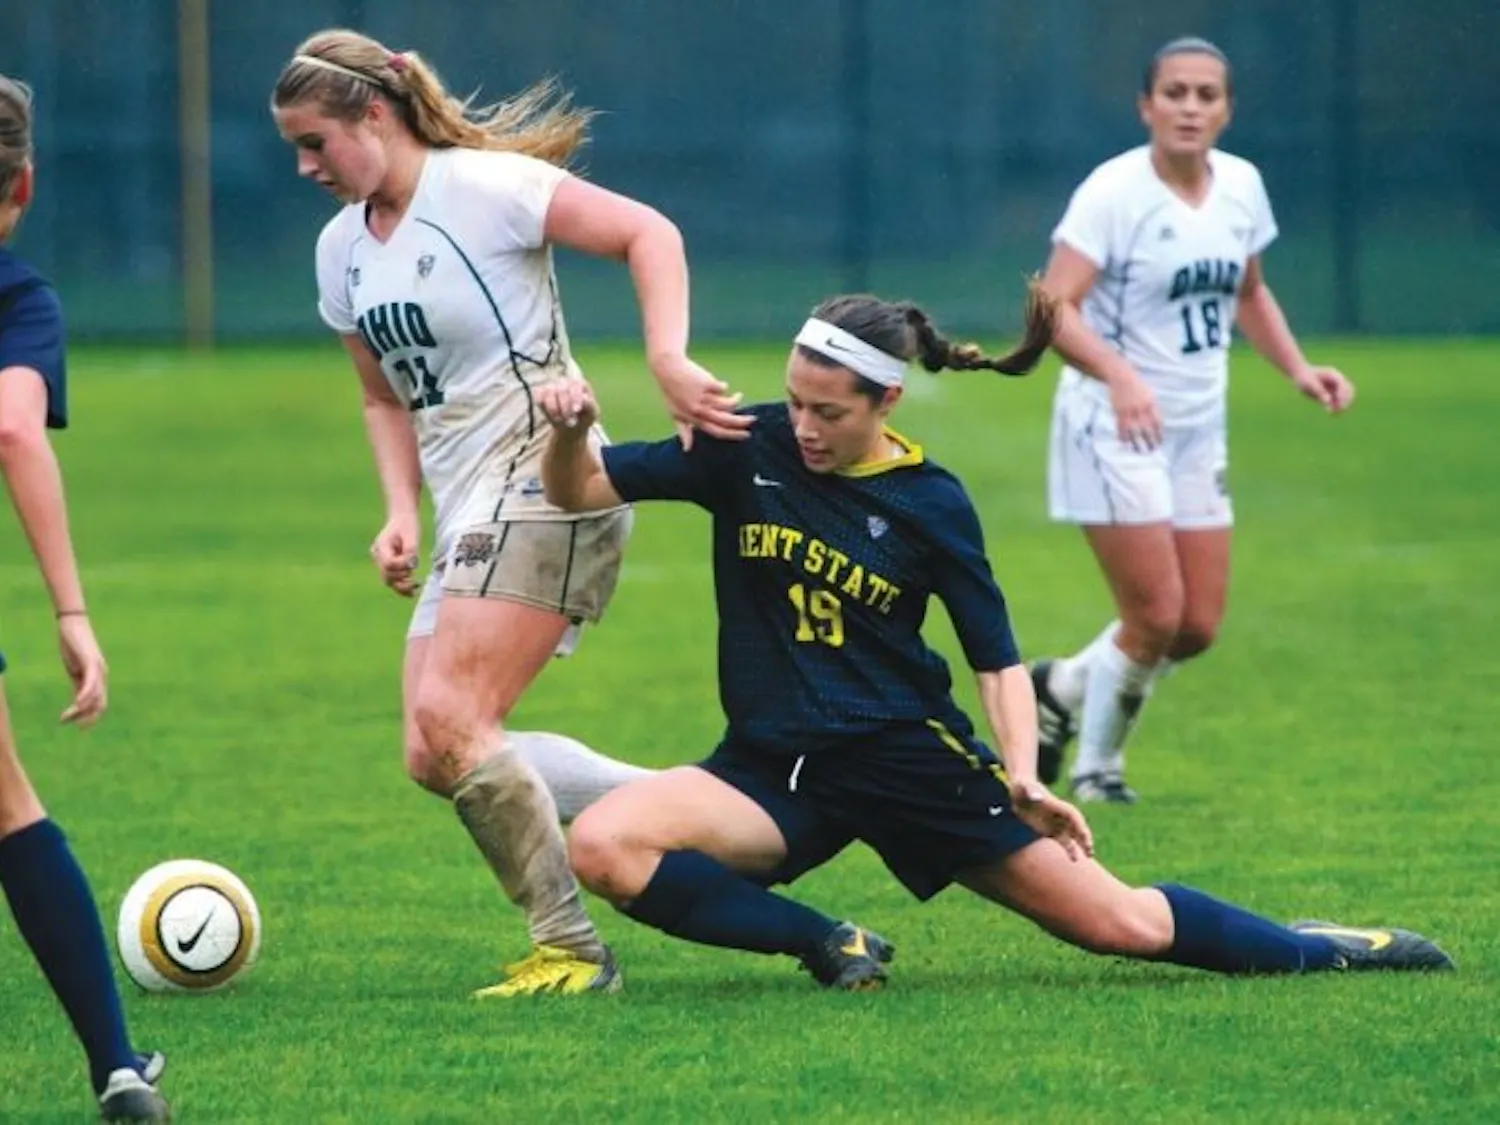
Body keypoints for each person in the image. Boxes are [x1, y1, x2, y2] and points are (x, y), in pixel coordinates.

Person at [534, 288, 1450, 989]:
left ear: (886, 399)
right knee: (608, 846)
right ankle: (828, 940)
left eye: (830, 411)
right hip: (774, 766)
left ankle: (1320, 949)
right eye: (797, 403)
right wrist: (570, 432)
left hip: (906, 758)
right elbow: (578, 490)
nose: (804, 427)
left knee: (1120, 926)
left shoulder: (932, 502)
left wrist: (1022, 772)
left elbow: (997, 658)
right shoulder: (744, 447)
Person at [270, 29, 742, 996]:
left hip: (551, 473)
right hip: (466, 503)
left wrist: (665, 357)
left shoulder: (481, 188)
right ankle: (700, 811)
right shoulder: (342, 250)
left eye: (316, 142)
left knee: (454, 716)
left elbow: (648, 232)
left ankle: (572, 948)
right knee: (431, 749)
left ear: (375, 113)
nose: (304, 166)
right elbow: (379, 397)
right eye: (295, 149)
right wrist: (399, 510)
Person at [1028, 37, 1356, 804]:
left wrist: (1300, 370)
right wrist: (1118, 376)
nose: (1190, 106)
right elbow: (1051, 305)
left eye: (1206, 94)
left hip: (1197, 427)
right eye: (1174, 92)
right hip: (1113, 424)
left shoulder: (1241, 185)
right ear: (1146, 105)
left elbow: (1248, 293)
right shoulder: (1114, 192)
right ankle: (1098, 772)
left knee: (1196, 626)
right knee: (1154, 616)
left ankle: (1063, 687)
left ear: (1227, 109)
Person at [0, 76, 170, 1122]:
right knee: (10, 808)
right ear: (24, 181)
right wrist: (71, 612)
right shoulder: (19, 298)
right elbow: (14, 430)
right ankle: (114, 1066)